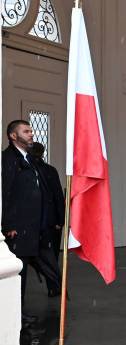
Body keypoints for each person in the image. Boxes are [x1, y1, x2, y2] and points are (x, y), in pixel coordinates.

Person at [1, 120, 60, 324]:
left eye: (31, 131)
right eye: (26, 131)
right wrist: (8, 225)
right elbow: (6, 193)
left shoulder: (29, 160)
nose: (31, 134)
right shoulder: (8, 159)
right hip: (19, 229)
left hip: (34, 228)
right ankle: (16, 313)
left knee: (29, 269)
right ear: (13, 136)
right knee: (21, 272)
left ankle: (20, 310)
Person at [29, 142, 64, 297]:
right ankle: (53, 286)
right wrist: (60, 220)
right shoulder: (49, 170)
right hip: (50, 221)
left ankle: (53, 285)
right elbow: (58, 196)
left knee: (40, 255)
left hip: (37, 221)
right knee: (52, 256)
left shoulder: (29, 170)